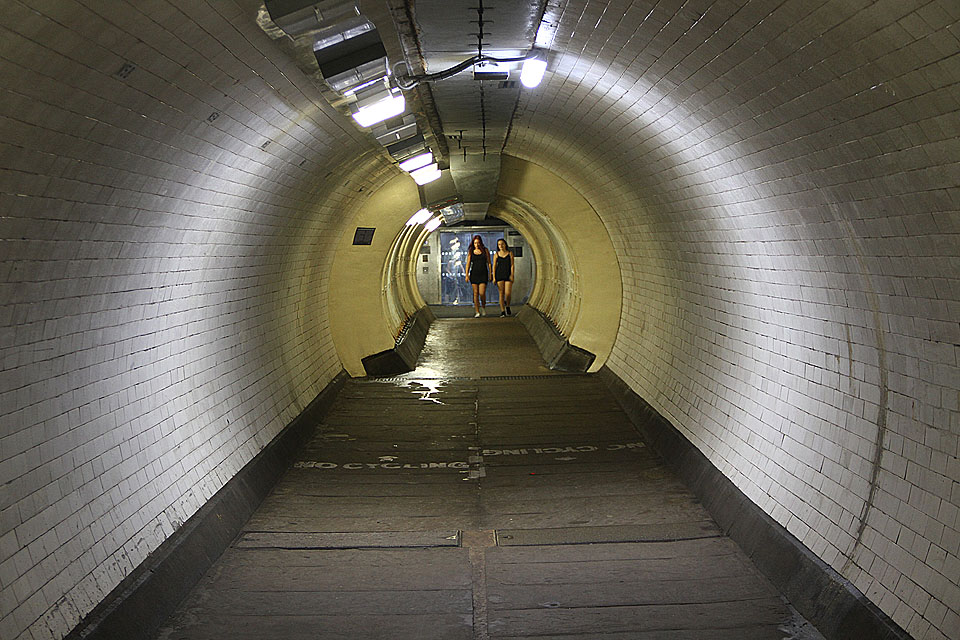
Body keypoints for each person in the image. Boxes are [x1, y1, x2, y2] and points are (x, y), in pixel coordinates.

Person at [465, 235, 491, 317]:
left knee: (482, 293)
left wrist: (491, 273)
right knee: (475, 293)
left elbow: (489, 263)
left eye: (478, 243)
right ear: (473, 243)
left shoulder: (485, 250)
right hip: (474, 274)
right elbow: (468, 264)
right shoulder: (471, 251)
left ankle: (483, 307)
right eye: (475, 243)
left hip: (483, 273)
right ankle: (477, 311)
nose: (477, 244)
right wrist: (466, 274)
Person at [493, 238, 515, 317]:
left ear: (505, 244)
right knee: (501, 293)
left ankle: (508, 305)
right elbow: (494, 266)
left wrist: (512, 275)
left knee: (508, 293)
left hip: (507, 274)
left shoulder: (510, 254)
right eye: (499, 244)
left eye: (502, 244)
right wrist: (494, 277)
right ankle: (502, 311)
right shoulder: (496, 254)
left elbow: (512, 265)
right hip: (499, 274)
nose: (501, 246)